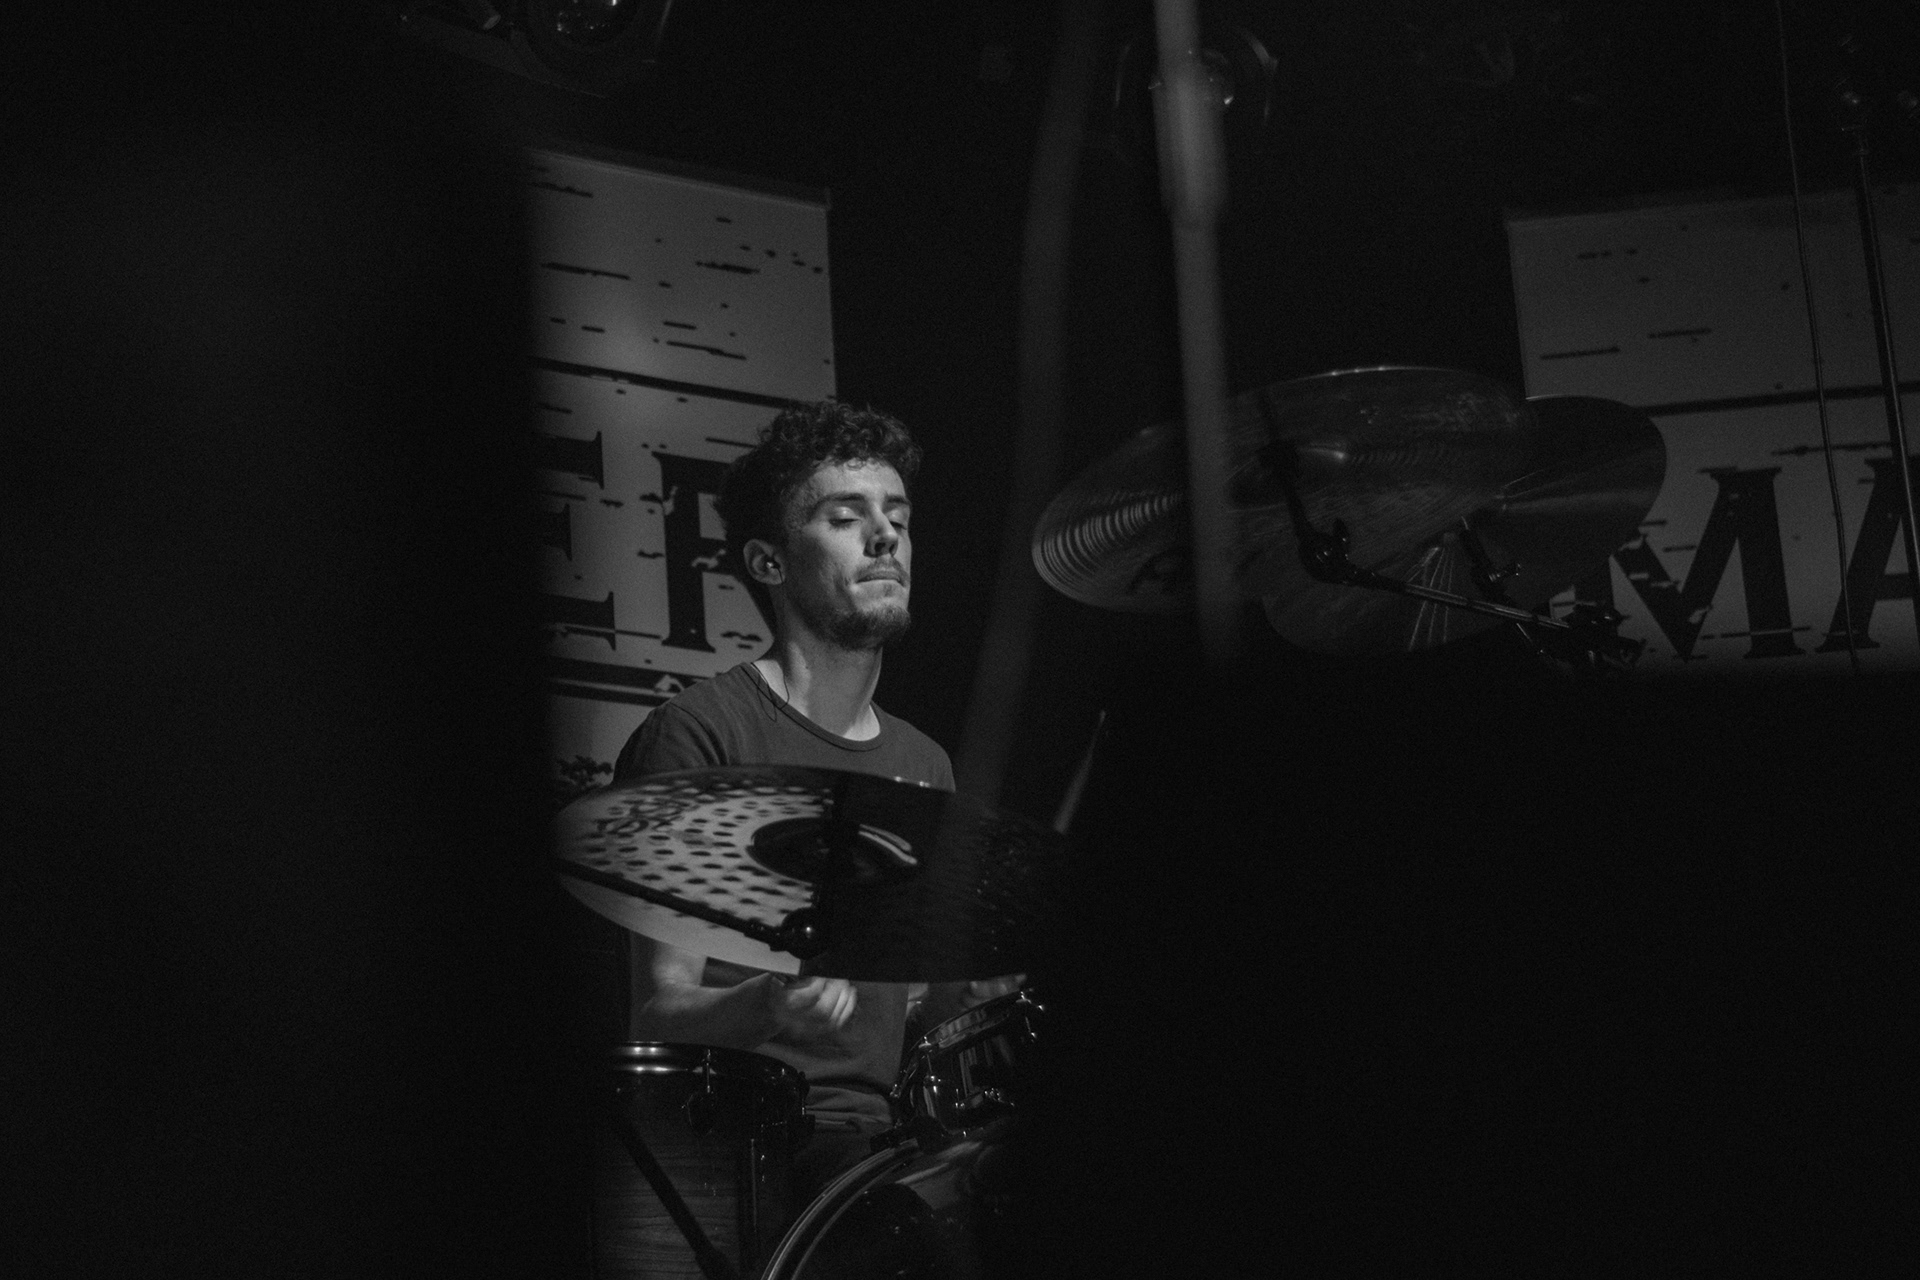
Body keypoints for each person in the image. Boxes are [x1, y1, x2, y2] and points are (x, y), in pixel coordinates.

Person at [611, 399, 1016, 1201]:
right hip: (738, 1141)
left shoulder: (924, 764)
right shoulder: (703, 734)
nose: (885, 536)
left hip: (880, 1143)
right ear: (769, 562)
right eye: (846, 517)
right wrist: (771, 1003)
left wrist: (979, 993)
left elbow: (923, 1019)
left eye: (898, 516)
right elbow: (658, 1011)